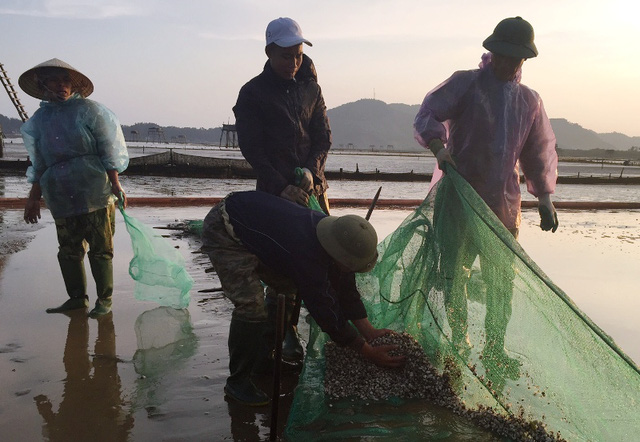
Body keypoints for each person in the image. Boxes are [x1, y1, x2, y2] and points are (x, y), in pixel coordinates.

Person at [413, 17, 558, 369]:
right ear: (491, 52)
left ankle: (495, 347)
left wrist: (544, 198)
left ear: (524, 60)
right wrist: (439, 147)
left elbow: (538, 152)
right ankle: (460, 341)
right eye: (502, 56)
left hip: (503, 205)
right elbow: (428, 113)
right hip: (460, 198)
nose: (508, 64)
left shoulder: (530, 101)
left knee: (501, 281)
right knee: (454, 273)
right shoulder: (466, 84)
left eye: (516, 59)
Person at [201, 191, 405, 406]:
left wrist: (368, 331)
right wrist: (367, 351)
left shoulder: (336, 238)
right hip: (226, 227)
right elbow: (323, 307)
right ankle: (238, 382)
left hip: (262, 228)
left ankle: (262, 359)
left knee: (286, 290)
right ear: (337, 255)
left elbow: (345, 289)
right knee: (250, 306)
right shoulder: (307, 255)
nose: (350, 269)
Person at [232, 17, 333, 363]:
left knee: (318, 258)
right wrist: (281, 186)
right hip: (275, 191)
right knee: (279, 264)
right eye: (285, 56)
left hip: (312, 189)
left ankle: (301, 324)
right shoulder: (253, 93)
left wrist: (311, 172)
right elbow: (253, 150)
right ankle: (280, 330)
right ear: (269, 52)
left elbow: (323, 138)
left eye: (298, 55)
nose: (293, 63)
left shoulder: (311, 89)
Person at [19, 58, 129, 318]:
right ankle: (76, 299)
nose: (61, 85)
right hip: (60, 192)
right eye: (55, 80)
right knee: (68, 249)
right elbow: (39, 161)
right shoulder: (40, 120)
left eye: (66, 80)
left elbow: (107, 147)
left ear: (73, 85)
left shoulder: (89, 110)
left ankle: (105, 300)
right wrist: (33, 199)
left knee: (101, 248)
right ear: (43, 84)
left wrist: (115, 183)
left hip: (94, 189)